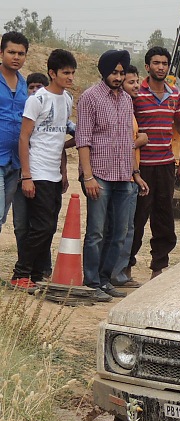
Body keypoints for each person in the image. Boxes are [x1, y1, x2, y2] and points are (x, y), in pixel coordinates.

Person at [77, 49, 147, 301]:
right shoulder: (89, 98)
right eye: (114, 73)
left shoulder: (127, 100)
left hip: (123, 176)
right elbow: (82, 140)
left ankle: (105, 280)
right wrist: (88, 177)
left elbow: (128, 142)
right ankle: (91, 282)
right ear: (104, 72)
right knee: (96, 232)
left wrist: (135, 173)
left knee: (119, 232)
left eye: (121, 73)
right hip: (99, 175)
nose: (118, 77)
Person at [10, 49, 77, 290]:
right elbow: (24, 138)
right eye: (65, 73)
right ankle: (20, 274)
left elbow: (61, 136)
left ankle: (36, 274)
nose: (70, 77)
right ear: (52, 73)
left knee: (48, 226)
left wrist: (64, 172)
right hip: (37, 172)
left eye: (72, 73)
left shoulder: (67, 99)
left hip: (55, 173)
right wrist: (26, 176)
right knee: (42, 226)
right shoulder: (37, 99)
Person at [129, 46, 180, 280]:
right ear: (147, 67)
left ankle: (158, 268)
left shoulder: (175, 95)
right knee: (136, 218)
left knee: (164, 218)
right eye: (156, 63)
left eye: (164, 63)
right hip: (142, 167)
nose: (161, 67)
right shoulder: (136, 94)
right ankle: (126, 266)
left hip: (166, 165)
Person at [110, 65, 150, 288]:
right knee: (119, 227)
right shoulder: (119, 109)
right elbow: (116, 145)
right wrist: (139, 141)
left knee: (128, 228)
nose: (136, 86)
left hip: (131, 174)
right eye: (131, 82)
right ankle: (113, 273)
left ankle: (121, 272)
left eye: (137, 82)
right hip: (120, 175)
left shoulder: (130, 109)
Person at [0, 32, 29, 234]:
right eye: (11, 52)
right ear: (1, 52)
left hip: (15, 161)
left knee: (2, 216)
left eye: (21, 53)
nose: (16, 57)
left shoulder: (24, 85)